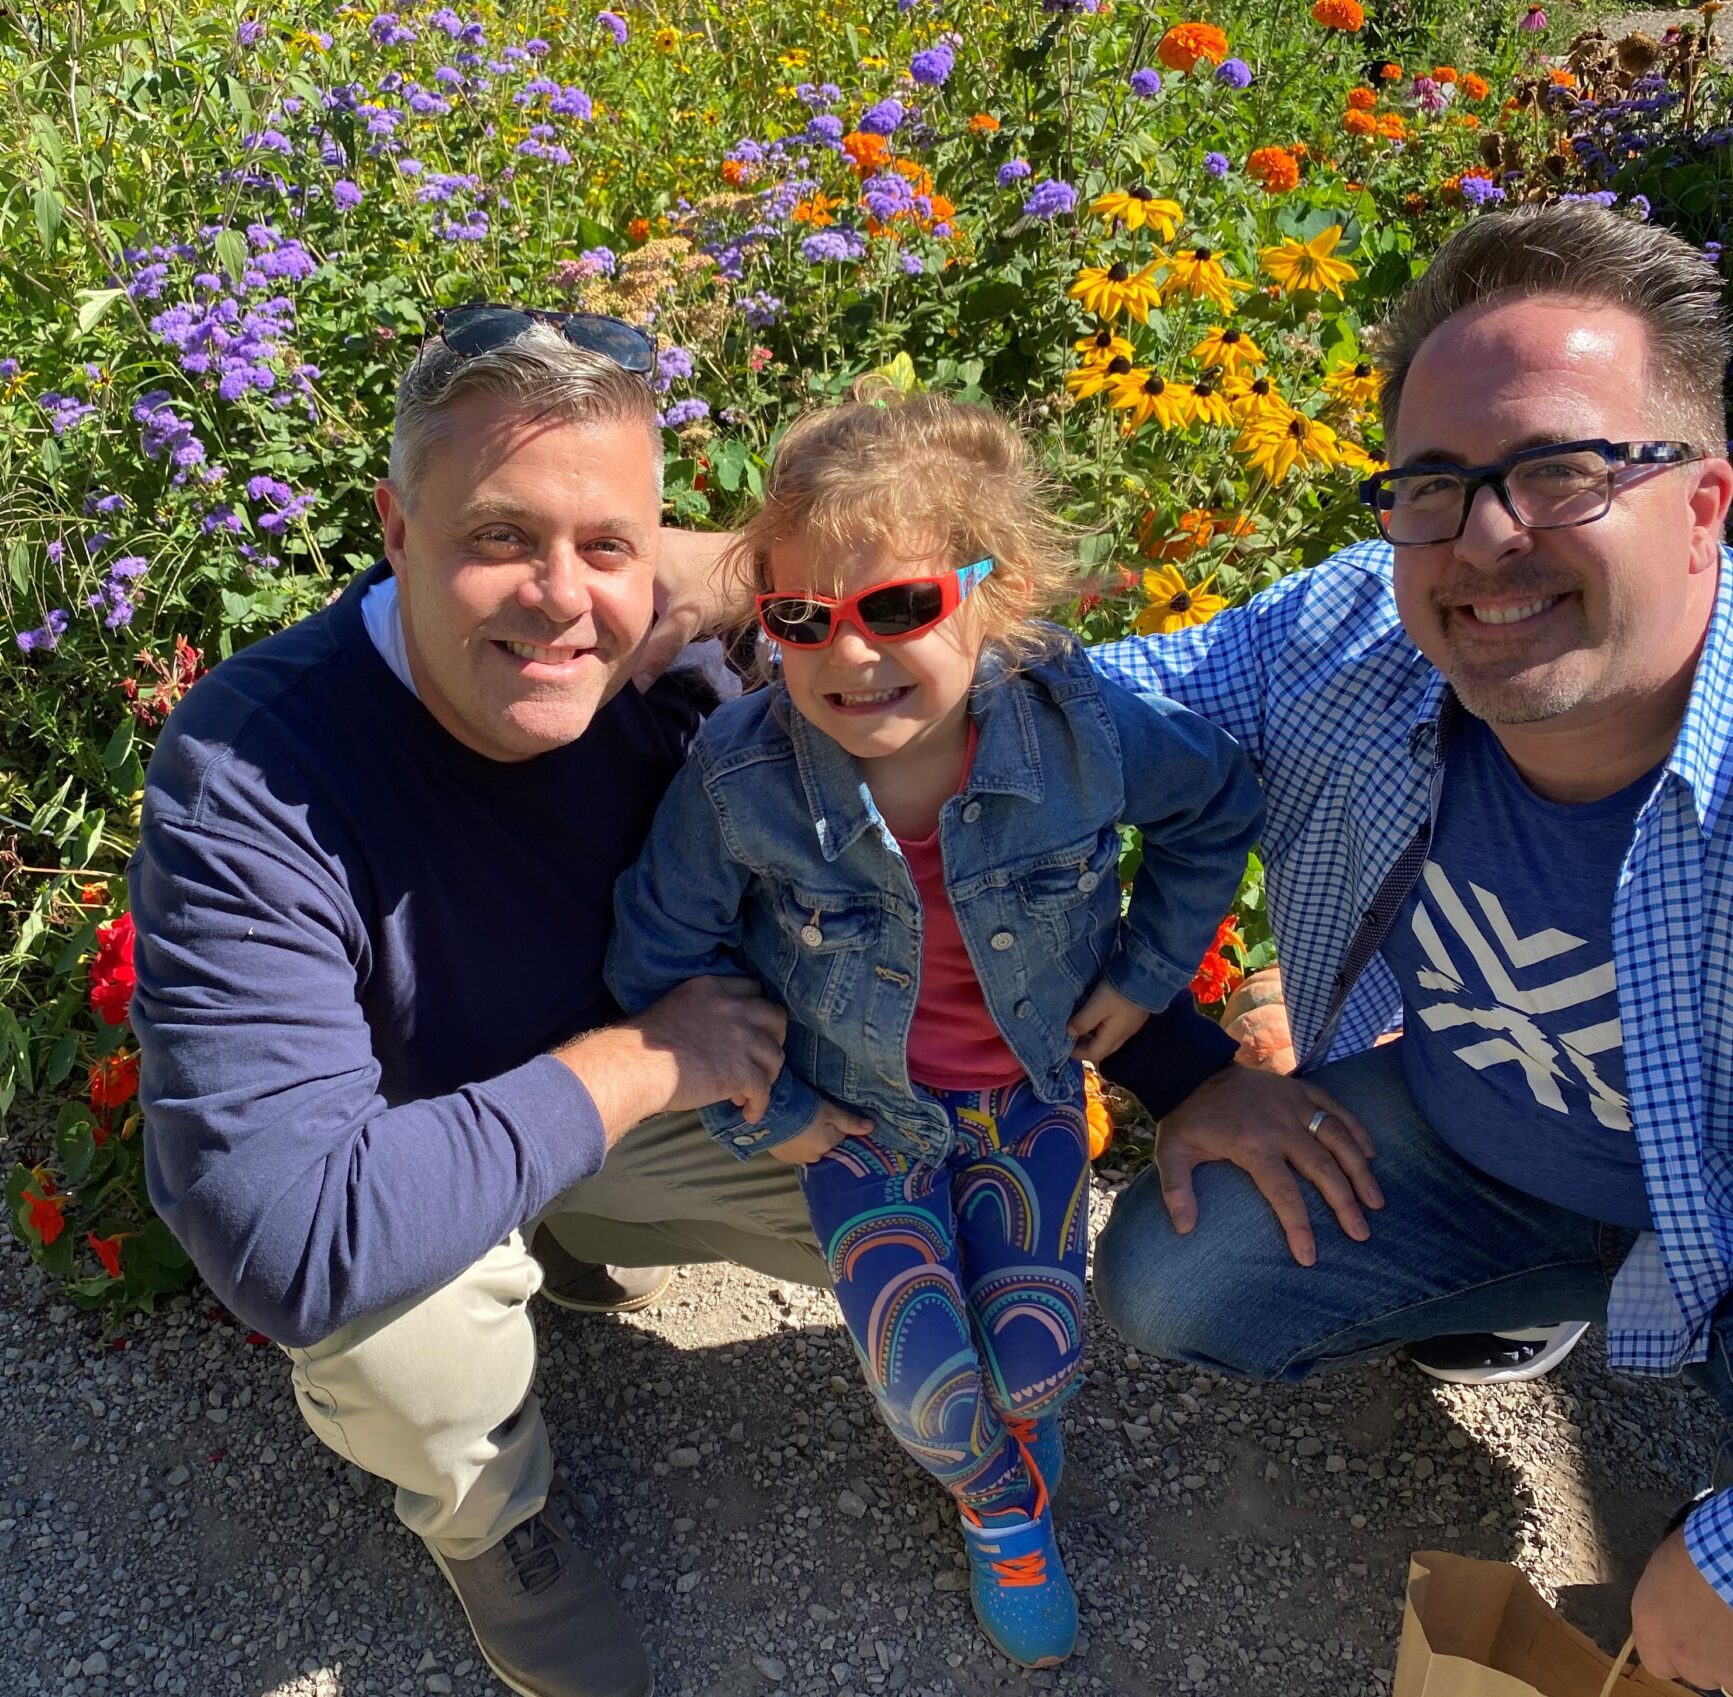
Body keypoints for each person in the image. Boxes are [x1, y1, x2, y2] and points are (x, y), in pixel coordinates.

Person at [127, 309, 1231, 1697]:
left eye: (608, 546)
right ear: (395, 530)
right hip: (433, 1136)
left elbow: (977, 880)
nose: (560, 598)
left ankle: (586, 1229)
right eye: (496, 539)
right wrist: (649, 1058)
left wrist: (1191, 1061)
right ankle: (490, 1521)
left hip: (654, 1084)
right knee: (396, 1330)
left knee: (914, 1167)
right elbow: (287, 1241)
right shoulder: (251, 769)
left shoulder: (710, 662)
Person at [1089, 201, 1733, 1697]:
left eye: (1561, 469)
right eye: (1433, 483)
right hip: (1490, 1140)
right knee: (1175, 1278)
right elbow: (1029, 744)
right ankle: (1531, 1291)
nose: (1484, 536)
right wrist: (1179, 1057)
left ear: (1703, 501)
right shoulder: (1347, 632)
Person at [603, 392, 1264, 1669]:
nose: (850, 658)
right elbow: (659, 950)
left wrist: (1150, 968)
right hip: (861, 1123)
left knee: (1039, 1363)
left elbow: (1214, 803)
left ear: (994, 593)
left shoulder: (1078, 725)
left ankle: (1011, 1429)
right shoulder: (742, 776)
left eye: (898, 607)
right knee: (934, 1387)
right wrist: (773, 1102)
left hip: (1025, 1096)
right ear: (771, 623)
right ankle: (998, 1506)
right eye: (802, 620)